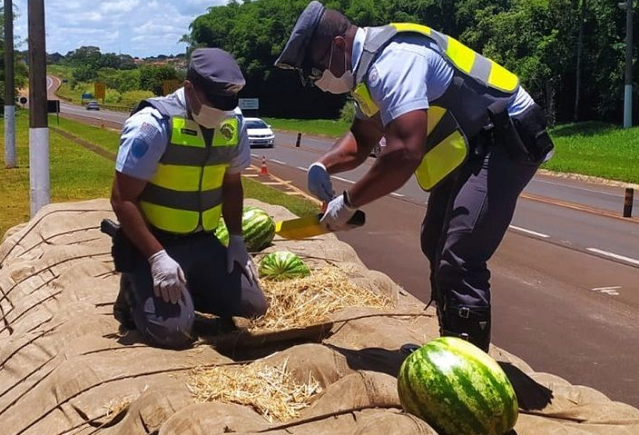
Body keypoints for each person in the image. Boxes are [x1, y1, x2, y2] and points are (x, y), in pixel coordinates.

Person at [274, 1, 554, 352]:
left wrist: (348, 203)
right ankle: (449, 345)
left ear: (339, 46)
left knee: (460, 253)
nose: (317, 81)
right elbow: (362, 139)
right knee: (433, 238)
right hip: (473, 142)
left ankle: (465, 367)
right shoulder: (367, 72)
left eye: (315, 70)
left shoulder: (394, 63)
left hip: (505, 137)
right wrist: (323, 165)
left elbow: (405, 151)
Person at [109, 48, 268, 349]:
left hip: (203, 242)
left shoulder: (232, 123)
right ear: (188, 89)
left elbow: (232, 185)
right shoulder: (153, 125)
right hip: (155, 244)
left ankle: (185, 291)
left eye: (226, 104)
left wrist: (236, 239)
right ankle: (133, 290)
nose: (220, 112)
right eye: (213, 103)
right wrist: (156, 257)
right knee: (175, 334)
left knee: (254, 307)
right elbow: (121, 199)